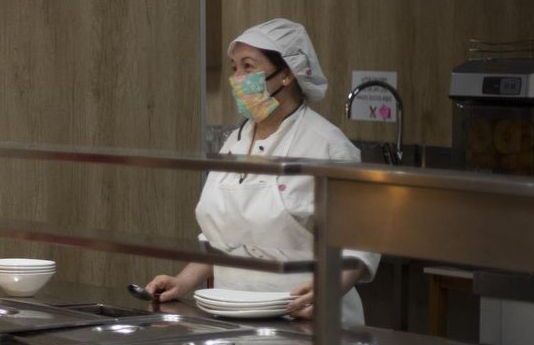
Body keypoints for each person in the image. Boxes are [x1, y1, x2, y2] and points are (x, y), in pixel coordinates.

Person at [144, 18, 379, 326]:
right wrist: (183, 281)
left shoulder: (327, 145)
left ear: (287, 74)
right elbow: (222, 238)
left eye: (248, 67)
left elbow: (362, 240)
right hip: (236, 317)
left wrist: (328, 290)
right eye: (234, 68)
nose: (237, 78)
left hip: (306, 320)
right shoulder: (235, 142)